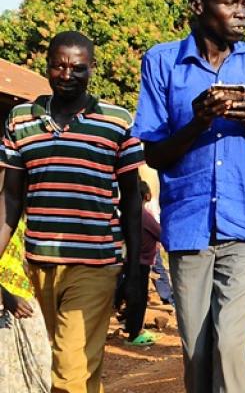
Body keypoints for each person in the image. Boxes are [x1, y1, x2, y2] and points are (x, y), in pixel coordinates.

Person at [131, 0, 245, 390]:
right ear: (199, 6)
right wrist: (198, 121)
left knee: (231, 343)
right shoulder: (162, 61)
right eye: (232, 2)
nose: (243, 11)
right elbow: (154, 154)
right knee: (198, 349)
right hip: (188, 224)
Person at [0, 30, 145, 393]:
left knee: (68, 369)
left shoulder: (117, 121)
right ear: (46, 66)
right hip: (40, 265)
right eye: (59, 66)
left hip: (95, 264)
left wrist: (136, 272)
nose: (67, 75)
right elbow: (10, 200)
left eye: (77, 68)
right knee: (74, 365)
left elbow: (131, 201)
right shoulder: (21, 120)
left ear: (92, 68)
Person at [0, 217, 50, 392]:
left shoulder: (16, 212)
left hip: (27, 302)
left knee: (41, 373)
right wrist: (4, 294)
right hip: (5, 310)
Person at [119, 180, 163, 347]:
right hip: (142, 263)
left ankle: (130, 328)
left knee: (131, 297)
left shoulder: (128, 215)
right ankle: (134, 334)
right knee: (139, 299)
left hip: (128, 261)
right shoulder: (145, 216)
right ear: (146, 196)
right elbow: (161, 234)